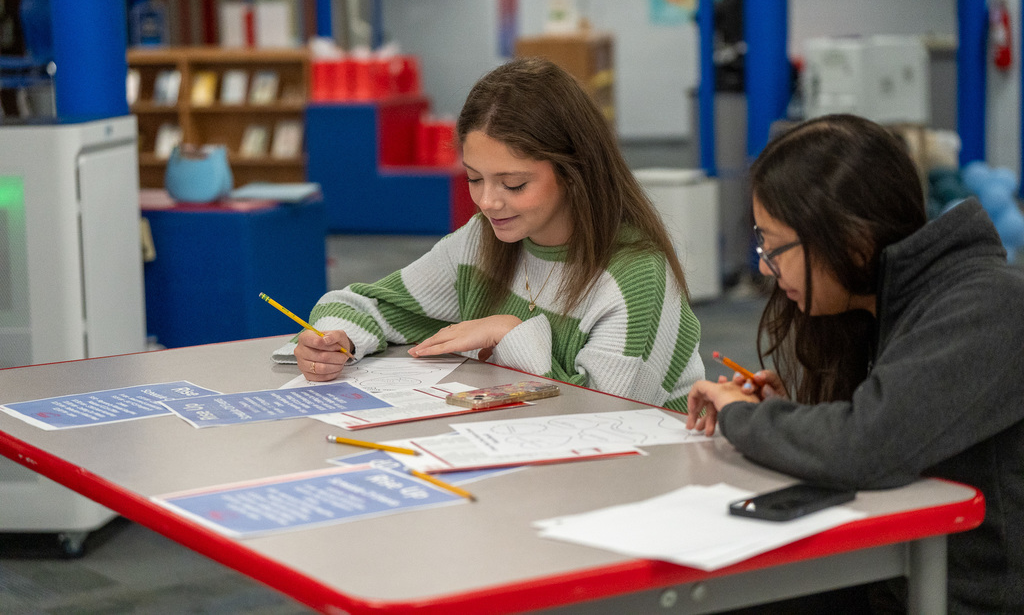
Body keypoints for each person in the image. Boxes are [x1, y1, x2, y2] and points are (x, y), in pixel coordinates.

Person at [685, 114, 1024, 613]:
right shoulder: (879, 303)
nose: (763, 266)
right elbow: (890, 426)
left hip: (960, 593)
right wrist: (794, 415)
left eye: (775, 246)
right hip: (898, 569)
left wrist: (744, 415)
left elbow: (867, 445)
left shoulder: (988, 303)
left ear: (854, 242)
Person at [274, 57, 704, 411]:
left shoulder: (636, 275)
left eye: (513, 184)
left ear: (576, 172)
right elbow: (374, 304)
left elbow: (603, 415)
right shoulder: (482, 240)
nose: (487, 202)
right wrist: (333, 338)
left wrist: (510, 332)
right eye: (474, 178)